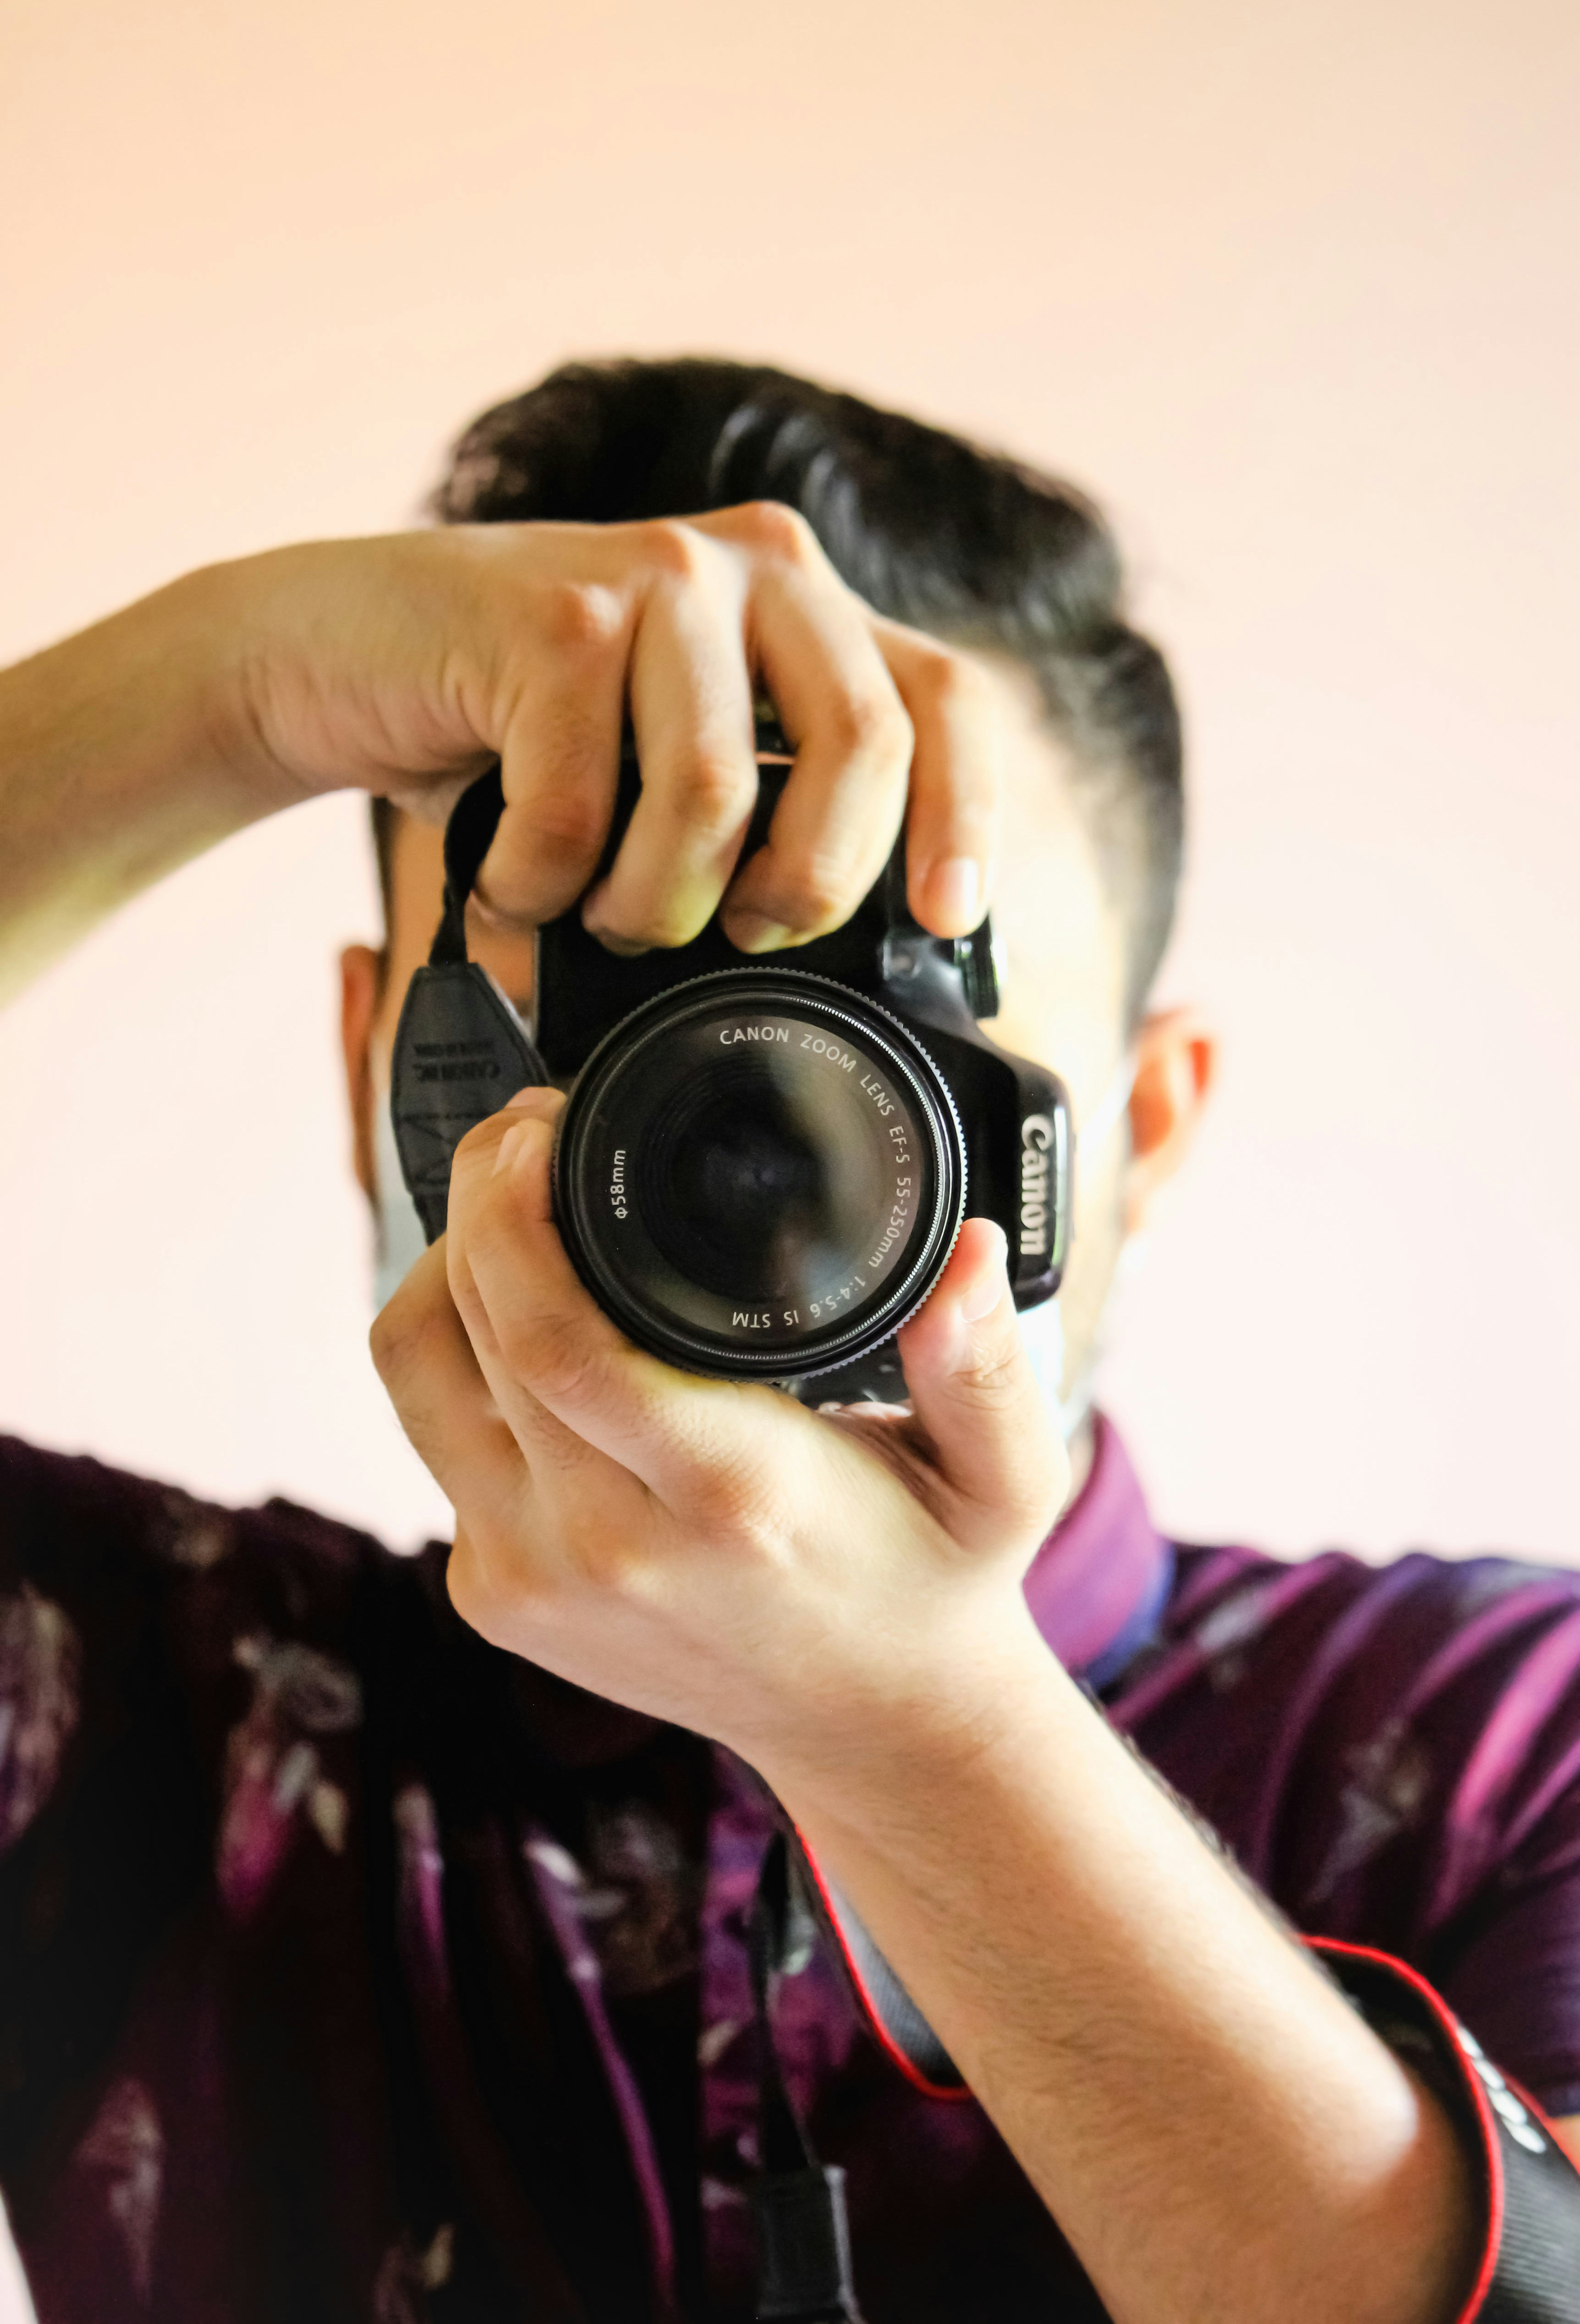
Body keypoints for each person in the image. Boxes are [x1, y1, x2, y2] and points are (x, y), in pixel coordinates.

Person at [0, 358, 1577, 2324]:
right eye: (605, 1007)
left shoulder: (1514, 1743)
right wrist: (221, 688)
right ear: (370, 1066)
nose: (735, 1125)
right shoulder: (128, 1705)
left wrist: (933, 1740)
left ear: (1138, 1129)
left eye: (895, 1028)